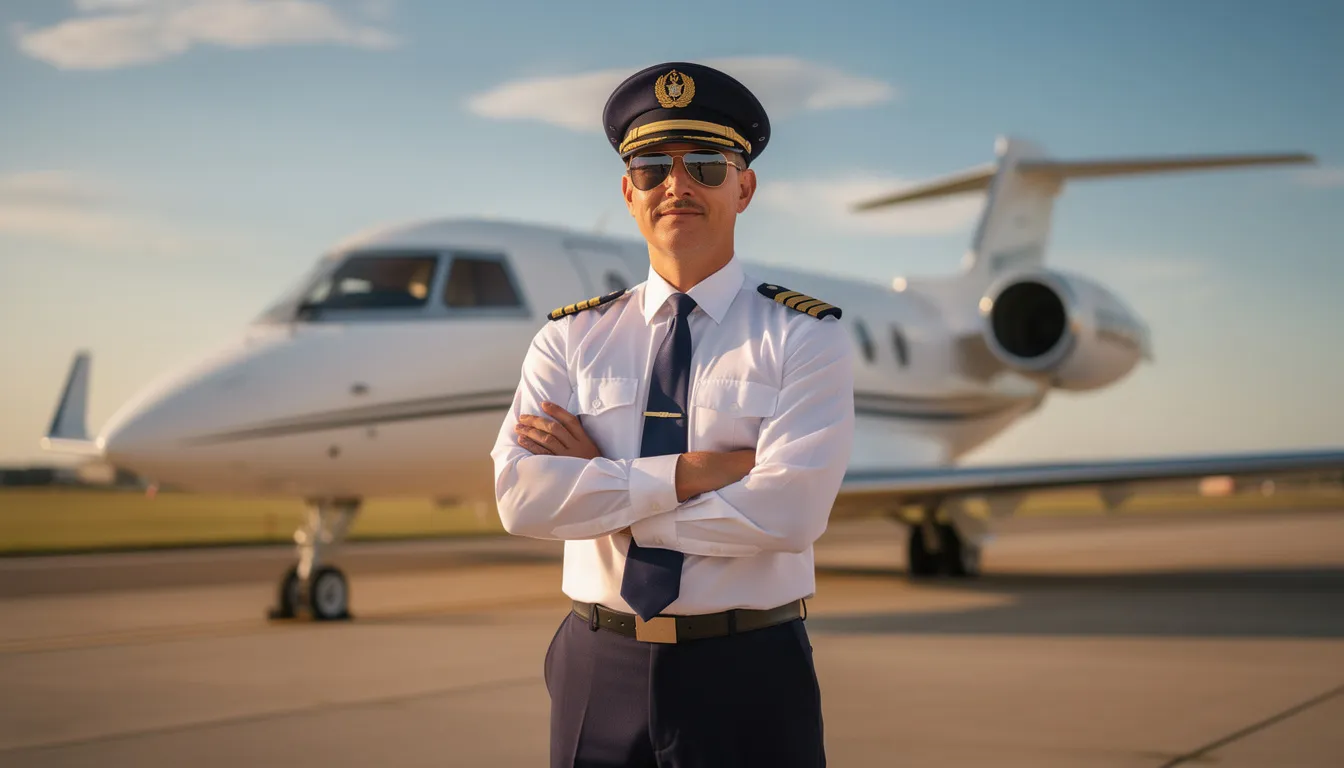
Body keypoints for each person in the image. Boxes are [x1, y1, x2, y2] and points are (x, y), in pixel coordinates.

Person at [490, 61, 855, 768]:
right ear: (629, 191)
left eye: (707, 168)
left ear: (744, 187)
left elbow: (789, 514)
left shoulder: (805, 336)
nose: (676, 186)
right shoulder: (569, 339)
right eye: (653, 166)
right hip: (597, 665)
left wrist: (602, 486)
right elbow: (520, 498)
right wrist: (691, 473)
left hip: (748, 669)